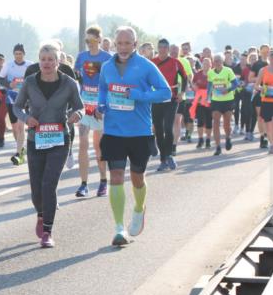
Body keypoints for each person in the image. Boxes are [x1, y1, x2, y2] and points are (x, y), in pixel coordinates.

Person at [95, 27, 171, 246]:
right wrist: (101, 105)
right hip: (114, 130)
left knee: (137, 177)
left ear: (135, 45)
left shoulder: (146, 66)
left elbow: (165, 92)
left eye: (128, 43)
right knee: (116, 177)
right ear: (115, 45)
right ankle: (119, 228)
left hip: (139, 132)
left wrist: (139, 95)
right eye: (120, 43)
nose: (123, 48)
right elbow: (102, 89)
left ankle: (139, 208)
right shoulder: (107, 67)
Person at [13, 43, 84, 248]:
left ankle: (48, 232)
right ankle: (41, 214)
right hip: (36, 139)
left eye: (51, 59)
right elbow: (17, 107)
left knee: (48, 184)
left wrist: (77, 114)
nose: (46, 63)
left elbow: (80, 106)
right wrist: (26, 118)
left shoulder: (69, 83)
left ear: (58, 61)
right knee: (36, 189)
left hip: (59, 139)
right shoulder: (29, 82)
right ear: (39, 61)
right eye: (43, 59)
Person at [74, 26, 112, 195]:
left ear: (99, 39)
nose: (89, 43)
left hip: (101, 107)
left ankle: (103, 181)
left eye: (91, 40)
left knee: (99, 146)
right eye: (86, 40)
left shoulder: (107, 57)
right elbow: (76, 77)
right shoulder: (81, 57)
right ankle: (83, 184)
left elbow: (113, 81)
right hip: (85, 106)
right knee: (83, 143)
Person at [150, 39, 190, 170]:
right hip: (156, 100)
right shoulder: (152, 62)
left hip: (171, 99)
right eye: (160, 47)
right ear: (158, 48)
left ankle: (169, 156)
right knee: (159, 130)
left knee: (168, 127)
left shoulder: (175, 62)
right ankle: (163, 159)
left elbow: (185, 78)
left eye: (164, 47)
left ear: (168, 49)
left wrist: (182, 92)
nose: (162, 49)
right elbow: (145, 78)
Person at [1, 44, 34, 166]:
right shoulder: (8, 65)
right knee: (15, 127)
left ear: (24, 54)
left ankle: (18, 153)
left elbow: (36, 78)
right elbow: (0, 79)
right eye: (16, 54)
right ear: (13, 55)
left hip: (25, 97)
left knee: (21, 126)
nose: (18, 56)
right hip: (11, 97)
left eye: (20, 54)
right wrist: (9, 84)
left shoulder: (30, 65)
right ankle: (20, 148)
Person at [207, 53, 238, 156]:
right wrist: (208, 97)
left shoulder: (228, 71)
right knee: (215, 122)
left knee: (227, 123)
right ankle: (218, 146)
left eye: (219, 61)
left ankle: (228, 137)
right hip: (216, 100)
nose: (217, 63)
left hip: (228, 100)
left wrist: (227, 90)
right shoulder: (210, 73)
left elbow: (235, 84)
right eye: (215, 61)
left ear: (222, 61)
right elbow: (210, 85)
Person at [249, 45, 270, 148]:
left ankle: (269, 136)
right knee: (261, 117)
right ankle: (263, 137)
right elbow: (250, 78)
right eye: (263, 50)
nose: (265, 52)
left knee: (269, 117)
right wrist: (261, 78)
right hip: (260, 92)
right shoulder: (257, 64)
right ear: (260, 52)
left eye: (267, 50)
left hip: (271, 93)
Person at [191, 57, 213, 148]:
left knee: (209, 121)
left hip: (210, 101)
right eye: (204, 63)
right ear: (202, 64)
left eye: (208, 64)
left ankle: (208, 140)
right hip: (199, 101)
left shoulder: (213, 74)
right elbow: (193, 85)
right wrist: (194, 88)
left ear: (210, 65)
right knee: (200, 121)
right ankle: (200, 140)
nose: (206, 65)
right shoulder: (198, 74)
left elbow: (215, 86)